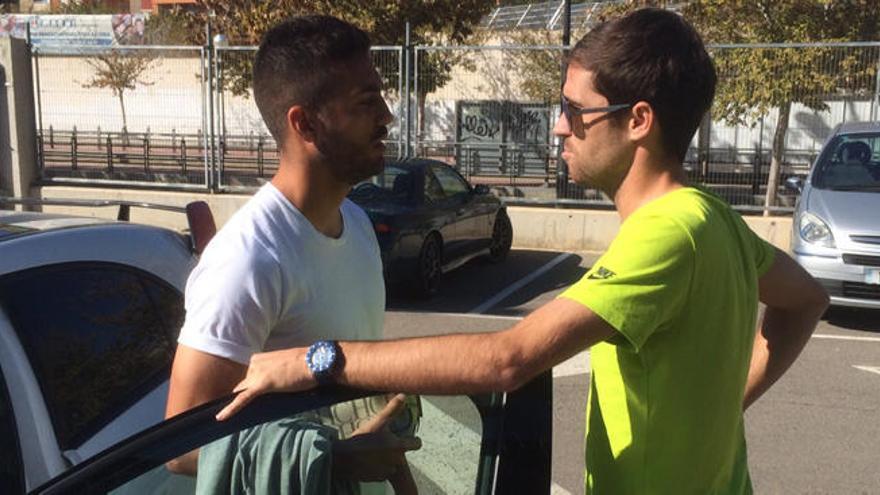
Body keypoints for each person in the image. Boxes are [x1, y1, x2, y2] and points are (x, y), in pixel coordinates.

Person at [217, 8, 829, 494]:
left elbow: (507, 359)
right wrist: (723, 408)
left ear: (639, 120)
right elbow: (805, 300)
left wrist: (314, 361)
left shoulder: (667, 232)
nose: (560, 126)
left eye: (573, 110)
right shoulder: (712, 217)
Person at [164, 15, 418, 491]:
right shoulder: (247, 259)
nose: (387, 115)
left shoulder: (357, 225)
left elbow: (353, 403)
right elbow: (180, 448)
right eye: (367, 102)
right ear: (305, 123)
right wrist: (335, 459)